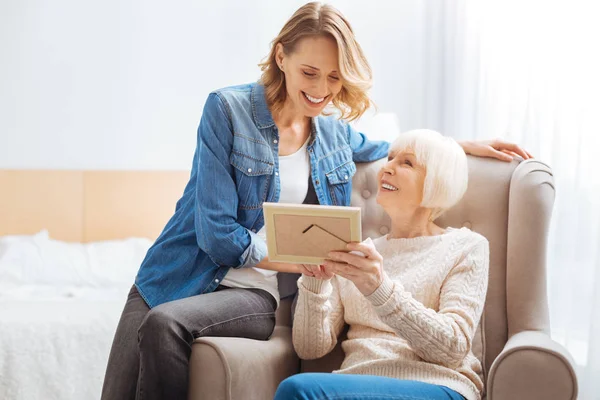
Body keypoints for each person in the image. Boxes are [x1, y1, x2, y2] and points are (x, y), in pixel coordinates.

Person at [101, 3, 529, 399]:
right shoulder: (226, 110)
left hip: (256, 291)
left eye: (334, 77)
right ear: (281, 57)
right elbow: (217, 238)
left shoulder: (333, 136)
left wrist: (457, 146)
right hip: (179, 272)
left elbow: (385, 149)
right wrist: (300, 257)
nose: (322, 90)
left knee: (166, 325)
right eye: (310, 72)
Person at [275, 129, 488, 400]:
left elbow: (453, 348)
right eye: (390, 158)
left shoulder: (466, 246)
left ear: (437, 180)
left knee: (297, 391)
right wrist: (315, 282)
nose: (387, 167)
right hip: (356, 384)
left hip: (438, 385)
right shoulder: (356, 251)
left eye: (407, 163)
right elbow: (310, 349)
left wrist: (379, 288)